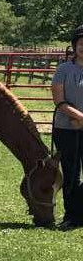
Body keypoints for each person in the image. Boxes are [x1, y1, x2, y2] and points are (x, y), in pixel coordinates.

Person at [52, 25, 83, 230]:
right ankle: (71, 216)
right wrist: (80, 117)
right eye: (81, 44)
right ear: (74, 46)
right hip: (66, 129)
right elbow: (59, 101)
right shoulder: (63, 70)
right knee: (71, 174)